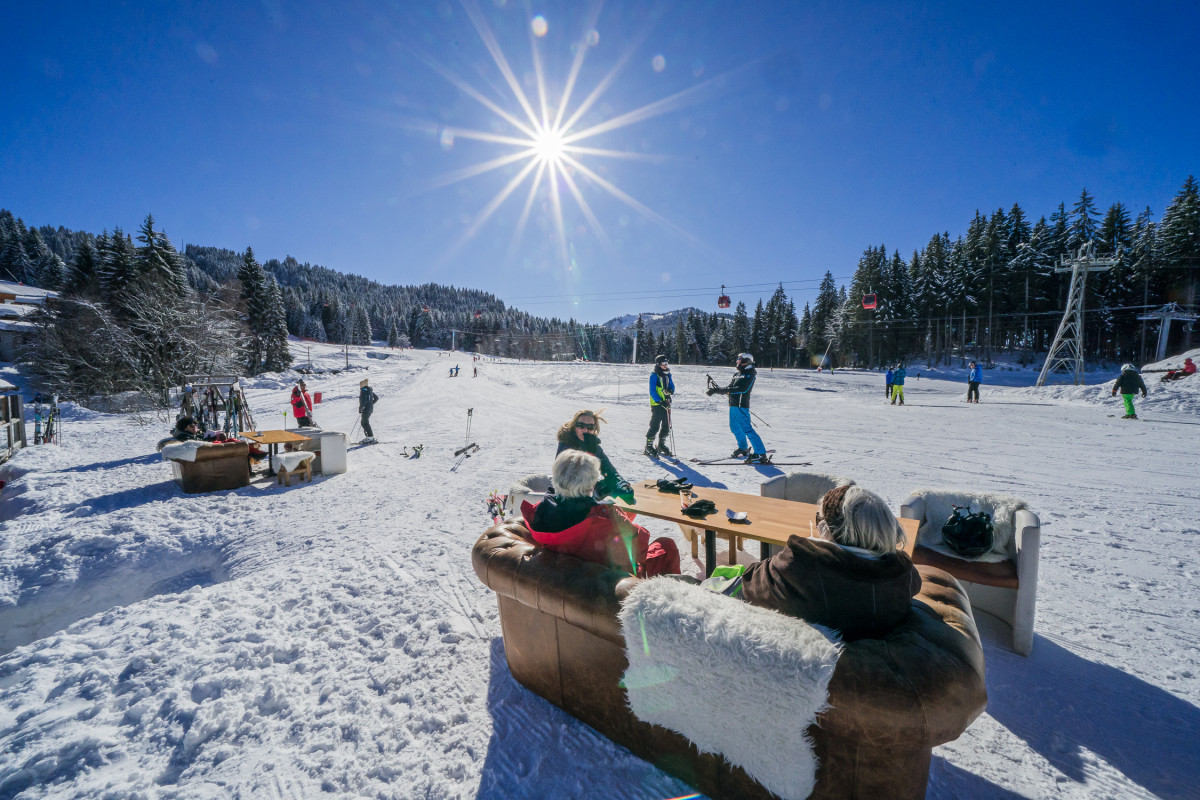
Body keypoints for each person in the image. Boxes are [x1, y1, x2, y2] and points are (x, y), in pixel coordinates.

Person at [740, 485, 921, 641]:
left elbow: (750, 582)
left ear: (827, 527)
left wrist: (811, 545)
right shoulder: (902, 574)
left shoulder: (801, 562)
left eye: (819, 519)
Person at [522, 450, 680, 577]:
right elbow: (638, 551)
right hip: (613, 581)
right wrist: (616, 515)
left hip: (571, 574)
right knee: (667, 545)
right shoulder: (604, 518)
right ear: (591, 483)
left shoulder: (541, 511)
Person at [555, 409, 634, 501]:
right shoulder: (566, 444)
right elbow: (570, 477)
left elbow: (609, 470)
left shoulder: (593, 445)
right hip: (567, 495)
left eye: (590, 427)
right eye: (581, 425)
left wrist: (622, 485)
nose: (585, 430)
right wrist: (589, 453)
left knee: (613, 489)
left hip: (587, 492)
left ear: (594, 429)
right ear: (574, 427)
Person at [706, 353, 768, 462]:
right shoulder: (736, 374)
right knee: (734, 428)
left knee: (747, 429)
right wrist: (718, 390)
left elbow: (743, 389)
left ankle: (760, 453)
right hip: (733, 405)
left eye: (739, 359)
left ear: (745, 361)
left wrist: (720, 390)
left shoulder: (750, 373)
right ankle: (743, 448)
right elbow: (731, 388)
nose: (736, 361)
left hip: (741, 406)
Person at [644, 354, 675, 457]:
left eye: (666, 363)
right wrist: (659, 401)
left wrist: (670, 391)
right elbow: (652, 392)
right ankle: (648, 446)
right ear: (658, 364)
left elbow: (671, 385)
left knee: (666, 425)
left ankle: (661, 445)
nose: (665, 366)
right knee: (655, 425)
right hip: (657, 404)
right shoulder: (654, 375)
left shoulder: (667, 374)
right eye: (663, 364)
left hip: (666, 403)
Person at [359, 378, 379, 443]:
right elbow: (376, 398)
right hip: (369, 409)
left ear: (362, 385)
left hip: (366, 410)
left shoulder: (364, 390)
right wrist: (370, 404)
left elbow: (364, 401)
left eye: (360, 385)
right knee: (364, 423)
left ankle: (370, 437)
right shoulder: (369, 390)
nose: (360, 386)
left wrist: (361, 408)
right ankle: (370, 437)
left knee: (364, 423)